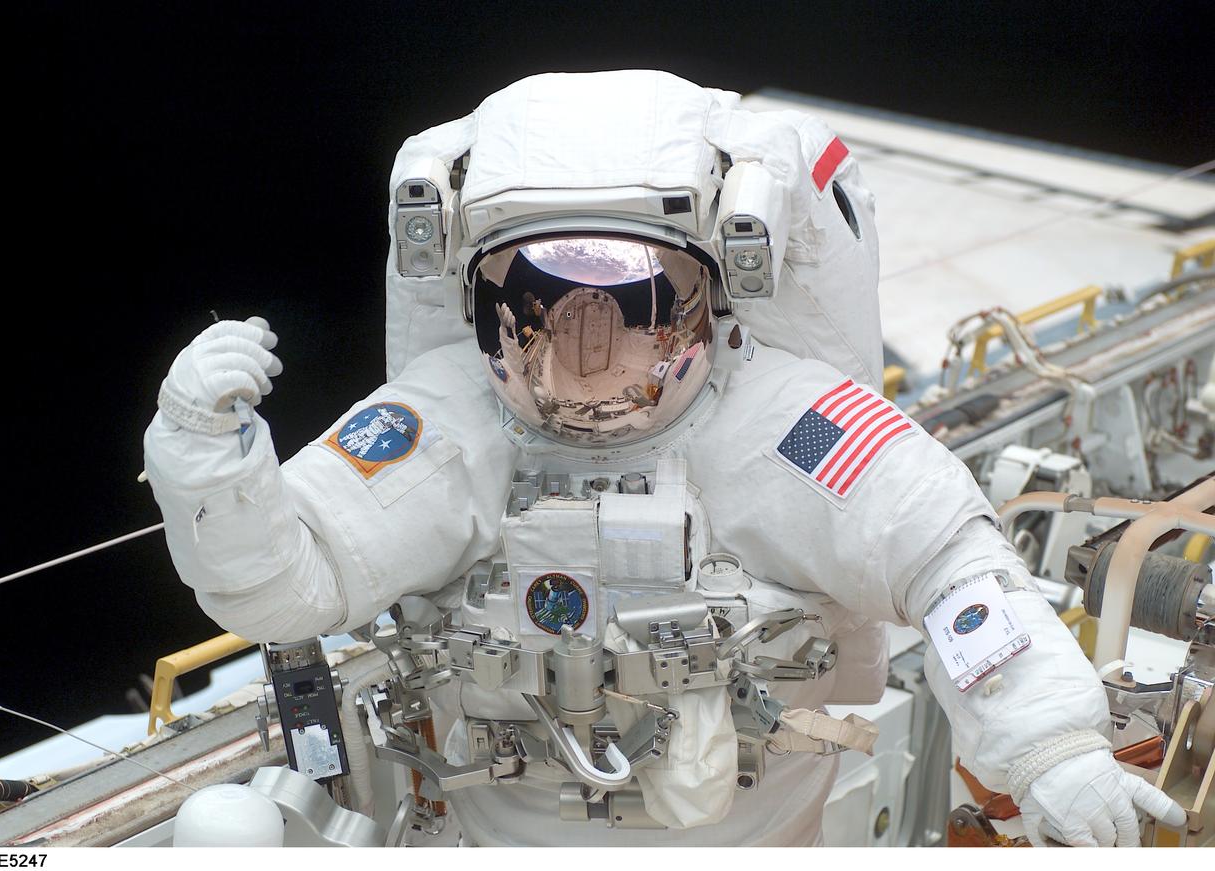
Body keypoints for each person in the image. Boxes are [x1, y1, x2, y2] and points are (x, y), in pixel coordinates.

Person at [144, 70, 1185, 846]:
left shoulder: (792, 427)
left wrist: (1049, 746)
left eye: (633, 313)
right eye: (540, 312)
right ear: (483, 304)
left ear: (709, 294)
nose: (587, 357)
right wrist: (208, 456)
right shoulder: (448, 421)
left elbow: (952, 566)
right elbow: (287, 584)